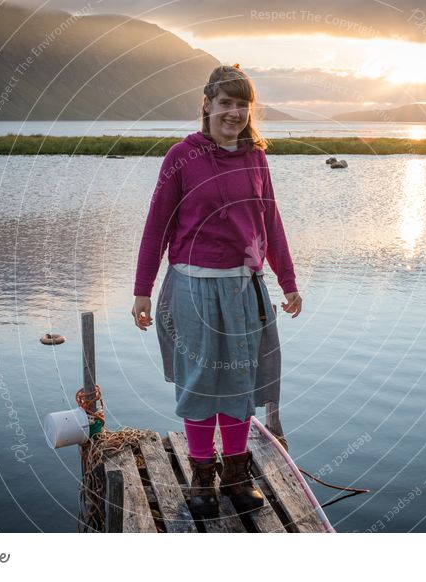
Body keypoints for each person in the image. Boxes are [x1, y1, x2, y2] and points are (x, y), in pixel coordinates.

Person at [131, 64, 302, 518]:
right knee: (202, 381)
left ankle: (237, 475)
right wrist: (142, 289)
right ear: (207, 104)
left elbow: (271, 225)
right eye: (225, 103)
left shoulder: (256, 158)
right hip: (192, 289)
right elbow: (156, 227)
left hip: (245, 289)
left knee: (241, 382)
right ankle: (203, 479)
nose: (234, 113)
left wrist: (288, 282)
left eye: (242, 105)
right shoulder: (180, 157)